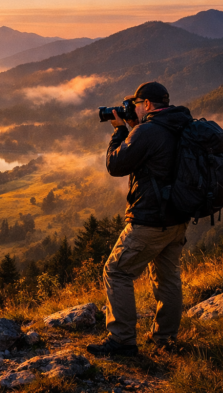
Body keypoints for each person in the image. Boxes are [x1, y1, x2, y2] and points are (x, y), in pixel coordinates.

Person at [87, 81, 193, 357]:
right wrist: (134, 128)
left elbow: (115, 165)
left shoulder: (147, 131)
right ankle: (165, 338)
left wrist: (120, 131)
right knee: (168, 279)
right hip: (177, 218)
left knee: (117, 271)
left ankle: (122, 341)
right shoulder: (180, 124)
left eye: (135, 104)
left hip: (150, 219)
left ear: (146, 104)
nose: (132, 109)